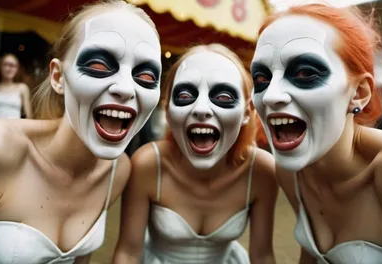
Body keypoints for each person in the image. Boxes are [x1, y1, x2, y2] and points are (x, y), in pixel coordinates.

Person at [0, 0, 163, 264]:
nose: (127, 89)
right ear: (58, 77)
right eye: (100, 66)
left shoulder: (118, 171)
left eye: (147, 77)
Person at [250, 3, 382, 264]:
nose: (270, 95)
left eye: (304, 73)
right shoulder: (290, 172)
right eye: (261, 79)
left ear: (359, 93)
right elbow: (311, 255)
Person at [113, 44, 278, 264]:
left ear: (247, 113)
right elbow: (128, 253)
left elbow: (262, 255)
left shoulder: (262, 170)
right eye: (184, 94)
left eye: (223, 97)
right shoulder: (148, 164)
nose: (201, 109)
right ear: (169, 110)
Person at [0, 53, 33, 119]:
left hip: (14, 128)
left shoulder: (22, 88)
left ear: (17, 69)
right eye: (5, 64)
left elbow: (28, 116)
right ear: (0, 66)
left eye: (13, 65)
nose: (9, 68)